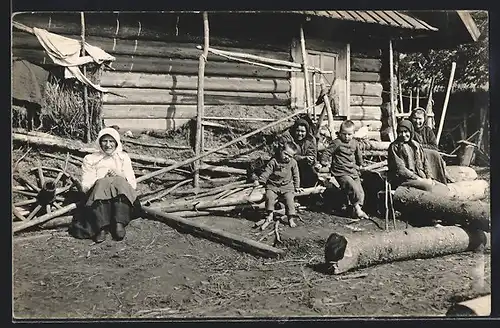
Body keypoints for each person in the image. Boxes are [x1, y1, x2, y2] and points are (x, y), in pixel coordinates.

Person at [69, 127, 138, 243]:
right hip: (98, 197)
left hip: (120, 196)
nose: (108, 145)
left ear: (116, 143)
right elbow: (86, 185)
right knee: (103, 183)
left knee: (119, 181)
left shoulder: (123, 158)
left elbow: (132, 184)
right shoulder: (91, 159)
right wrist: (102, 179)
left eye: (111, 141)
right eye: (104, 141)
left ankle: (119, 223)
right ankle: (101, 227)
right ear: (99, 142)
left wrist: (120, 176)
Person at [315, 120, 369, 220]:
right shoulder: (337, 142)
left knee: (360, 192)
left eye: (349, 134)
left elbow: (358, 154)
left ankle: (354, 210)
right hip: (340, 172)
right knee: (353, 188)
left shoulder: (354, 143)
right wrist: (323, 162)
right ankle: (358, 210)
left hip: (352, 171)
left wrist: (360, 164)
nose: (347, 137)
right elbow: (327, 152)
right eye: (344, 134)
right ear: (340, 133)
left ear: (353, 134)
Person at [387, 119, 449, 193]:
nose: (403, 135)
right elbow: (400, 169)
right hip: (403, 179)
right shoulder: (394, 147)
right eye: (400, 132)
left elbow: (425, 163)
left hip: (420, 177)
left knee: (443, 188)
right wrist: (419, 179)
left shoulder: (416, 145)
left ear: (411, 131)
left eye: (406, 132)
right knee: (428, 187)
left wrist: (429, 177)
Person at [254, 141, 303, 228]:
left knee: (290, 200)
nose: (287, 157)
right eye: (285, 154)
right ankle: (270, 214)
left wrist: (297, 186)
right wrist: (261, 180)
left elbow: (296, 175)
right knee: (270, 196)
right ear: (281, 151)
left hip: (287, 186)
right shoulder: (274, 161)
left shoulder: (293, 163)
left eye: (290, 156)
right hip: (273, 185)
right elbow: (267, 171)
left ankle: (290, 218)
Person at [409, 107, 453, 183]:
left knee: (435, 155)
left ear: (424, 119)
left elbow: (434, 147)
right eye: (415, 118)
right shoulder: (409, 130)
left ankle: (441, 178)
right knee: (432, 154)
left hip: (427, 154)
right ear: (411, 118)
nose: (417, 121)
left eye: (420, 119)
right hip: (415, 156)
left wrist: (420, 146)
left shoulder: (428, 130)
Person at [279, 118, 318, 187]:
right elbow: (286, 155)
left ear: (306, 132)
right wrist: (302, 158)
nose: (300, 134)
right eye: (297, 131)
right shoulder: (287, 137)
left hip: (303, 165)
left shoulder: (310, 139)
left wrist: (310, 160)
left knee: (312, 176)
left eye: (302, 131)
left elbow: (312, 155)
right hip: (287, 164)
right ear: (294, 130)